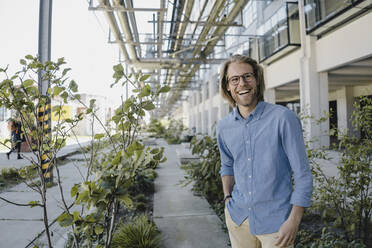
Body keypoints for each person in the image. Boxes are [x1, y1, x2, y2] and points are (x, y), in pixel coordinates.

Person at [216, 54, 313, 248]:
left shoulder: (283, 118)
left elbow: (303, 174)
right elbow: (227, 164)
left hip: (277, 224)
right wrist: (227, 198)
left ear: (257, 79)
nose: (241, 83)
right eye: (234, 79)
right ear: (227, 86)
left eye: (247, 76)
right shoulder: (223, 126)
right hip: (238, 218)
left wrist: (293, 221)